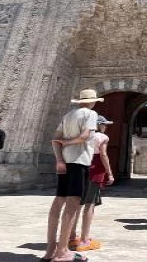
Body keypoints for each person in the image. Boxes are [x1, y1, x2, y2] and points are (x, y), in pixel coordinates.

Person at [40, 89, 101, 262]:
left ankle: (50, 250)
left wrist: (60, 159)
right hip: (79, 161)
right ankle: (62, 252)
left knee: (59, 200)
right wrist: (70, 142)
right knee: (73, 203)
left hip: (65, 161)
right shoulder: (91, 113)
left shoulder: (68, 115)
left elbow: (55, 139)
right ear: (93, 101)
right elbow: (85, 136)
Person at [69, 115, 115, 252]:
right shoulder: (102, 137)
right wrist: (110, 173)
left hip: (79, 167)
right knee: (89, 205)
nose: (106, 127)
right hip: (95, 169)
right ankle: (84, 240)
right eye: (104, 124)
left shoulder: (81, 135)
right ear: (99, 125)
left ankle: (71, 237)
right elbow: (103, 155)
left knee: (77, 203)